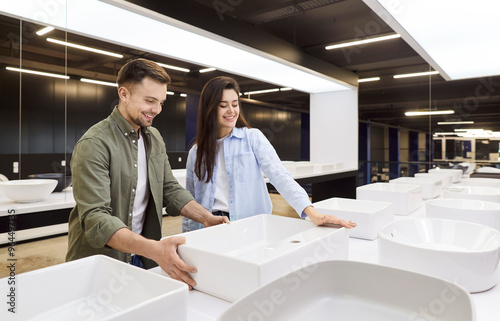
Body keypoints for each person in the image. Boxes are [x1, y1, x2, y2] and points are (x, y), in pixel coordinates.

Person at [66, 58, 228, 289]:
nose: (157, 110)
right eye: (150, 101)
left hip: (142, 256)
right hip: (101, 263)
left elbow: (169, 189)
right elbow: (97, 219)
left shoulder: (154, 138)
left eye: (161, 102)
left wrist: (207, 218)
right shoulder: (94, 144)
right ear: (123, 93)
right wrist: (155, 249)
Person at [182, 76, 357, 232]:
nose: (231, 111)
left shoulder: (252, 138)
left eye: (235, 104)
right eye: (223, 105)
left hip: (249, 227)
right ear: (209, 108)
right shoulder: (196, 153)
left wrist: (312, 213)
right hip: (208, 229)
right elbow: (189, 201)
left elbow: (279, 175)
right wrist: (186, 239)